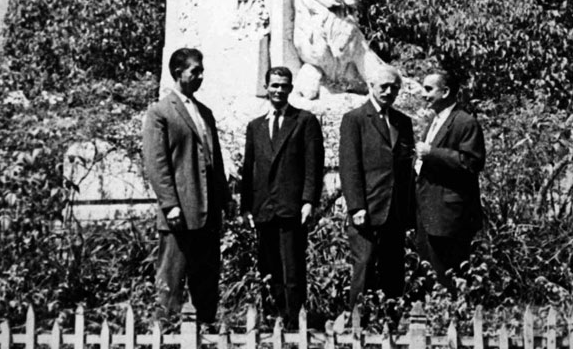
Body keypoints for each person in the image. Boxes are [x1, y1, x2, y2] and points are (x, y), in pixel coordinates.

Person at [142, 47, 230, 323]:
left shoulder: (204, 112)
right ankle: (164, 341)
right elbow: (157, 164)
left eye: (202, 70)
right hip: (179, 214)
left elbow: (215, 160)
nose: (201, 76)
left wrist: (224, 200)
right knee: (170, 280)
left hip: (208, 213)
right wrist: (170, 205)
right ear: (179, 73)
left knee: (206, 280)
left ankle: (205, 336)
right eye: (195, 70)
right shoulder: (160, 112)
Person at [240, 66, 324, 325]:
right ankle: (271, 321)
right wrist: (246, 207)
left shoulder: (304, 121)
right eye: (274, 85)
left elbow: (313, 165)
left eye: (284, 85)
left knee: (292, 269)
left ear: (290, 89)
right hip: (264, 208)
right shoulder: (255, 127)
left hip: (292, 207)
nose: (278, 90)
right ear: (266, 88)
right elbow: (249, 167)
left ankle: (294, 322)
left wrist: (308, 201)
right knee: (268, 268)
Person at [338, 66, 415, 312]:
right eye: (384, 86)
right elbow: (349, 166)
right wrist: (356, 206)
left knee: (393, 268)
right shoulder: (355, 119)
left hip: (395, 210)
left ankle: (389, 325)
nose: (389, 91)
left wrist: (409, 210)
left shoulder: (403, 122)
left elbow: (405, 169)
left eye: (394, 87)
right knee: (365, 265)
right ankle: (359, 325)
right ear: (371, 86)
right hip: (367, 209)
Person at [414, 66, 485, 289]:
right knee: (430, 270)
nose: (424, 95)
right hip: (429, 209)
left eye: (428, 89)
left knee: (448, 274)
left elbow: (471, 163)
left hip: (450, 214)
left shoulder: (465, 122)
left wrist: (431, 153)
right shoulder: (434, 121)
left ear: (445, 92)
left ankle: (451, 316)